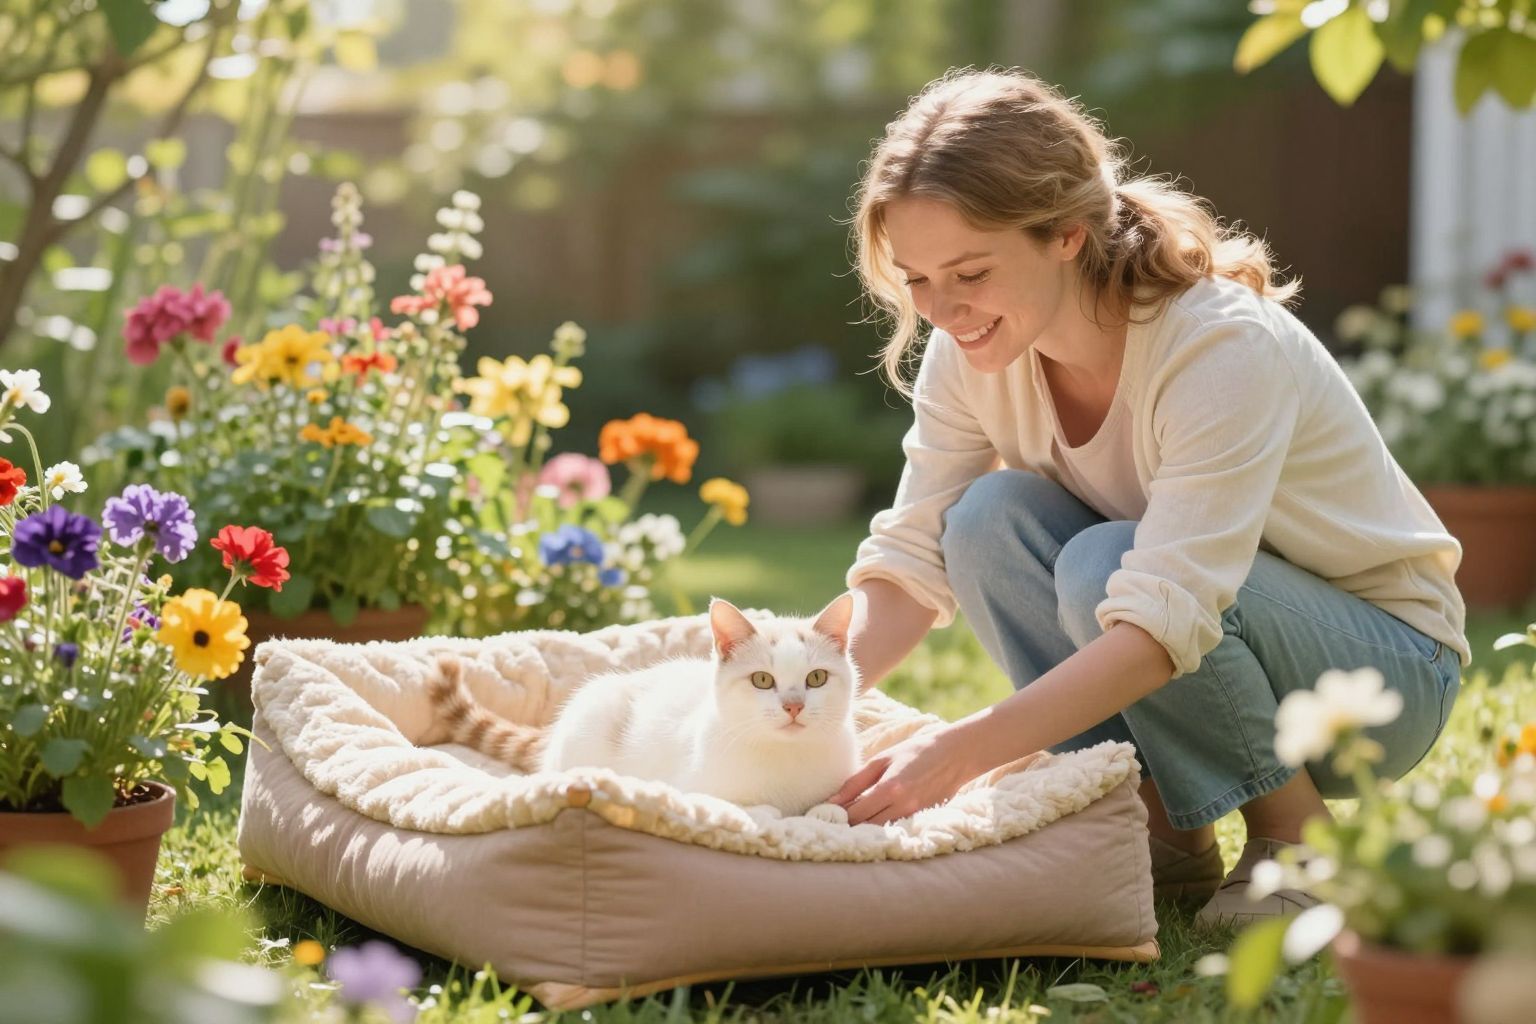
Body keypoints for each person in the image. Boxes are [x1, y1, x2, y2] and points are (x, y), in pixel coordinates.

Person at [825, 68, 1467, 926]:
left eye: (970, 271)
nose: (942, 309)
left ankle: (1298, 839)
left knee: (1107, 564)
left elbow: (1166, 615)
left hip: (1380, 673)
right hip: (1192, 621)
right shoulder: (973, 350)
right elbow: (911, 557)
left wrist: (958, 753)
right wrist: (790, 698)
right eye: (917, 280)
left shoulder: (1218, 346)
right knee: (984, 522)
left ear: (1067, 234)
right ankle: (1157, 829)